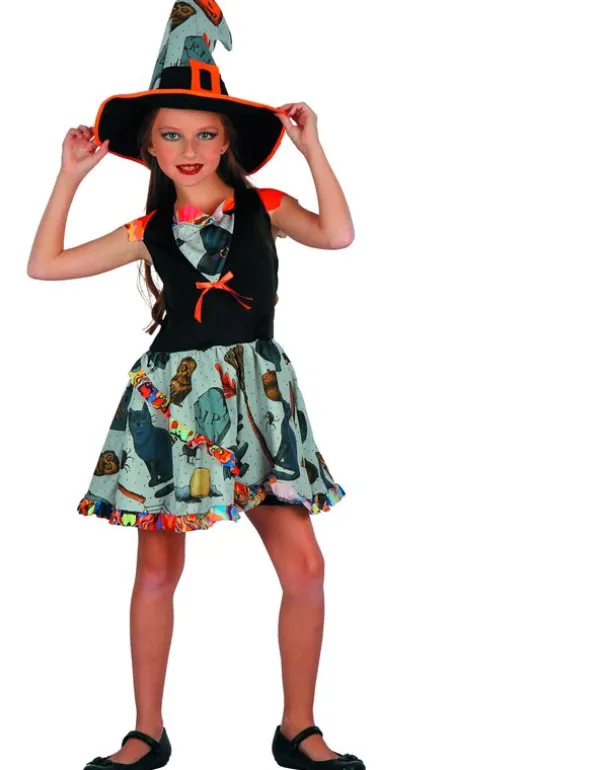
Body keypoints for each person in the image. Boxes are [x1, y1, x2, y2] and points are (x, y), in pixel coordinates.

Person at [27, 3, 362, 769]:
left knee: (305, 568)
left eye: (205, 134)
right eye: (172, 135)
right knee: (156, 568)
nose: (189, 149)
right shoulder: (148, 231)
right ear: (148, 146)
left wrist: (313, 149)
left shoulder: (265, 209)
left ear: (229, 141)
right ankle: (147, 731)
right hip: (173, 410)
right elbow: (45, 265)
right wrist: (68, 178)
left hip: (257, 406)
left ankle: (298, 728)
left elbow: (338, 233)